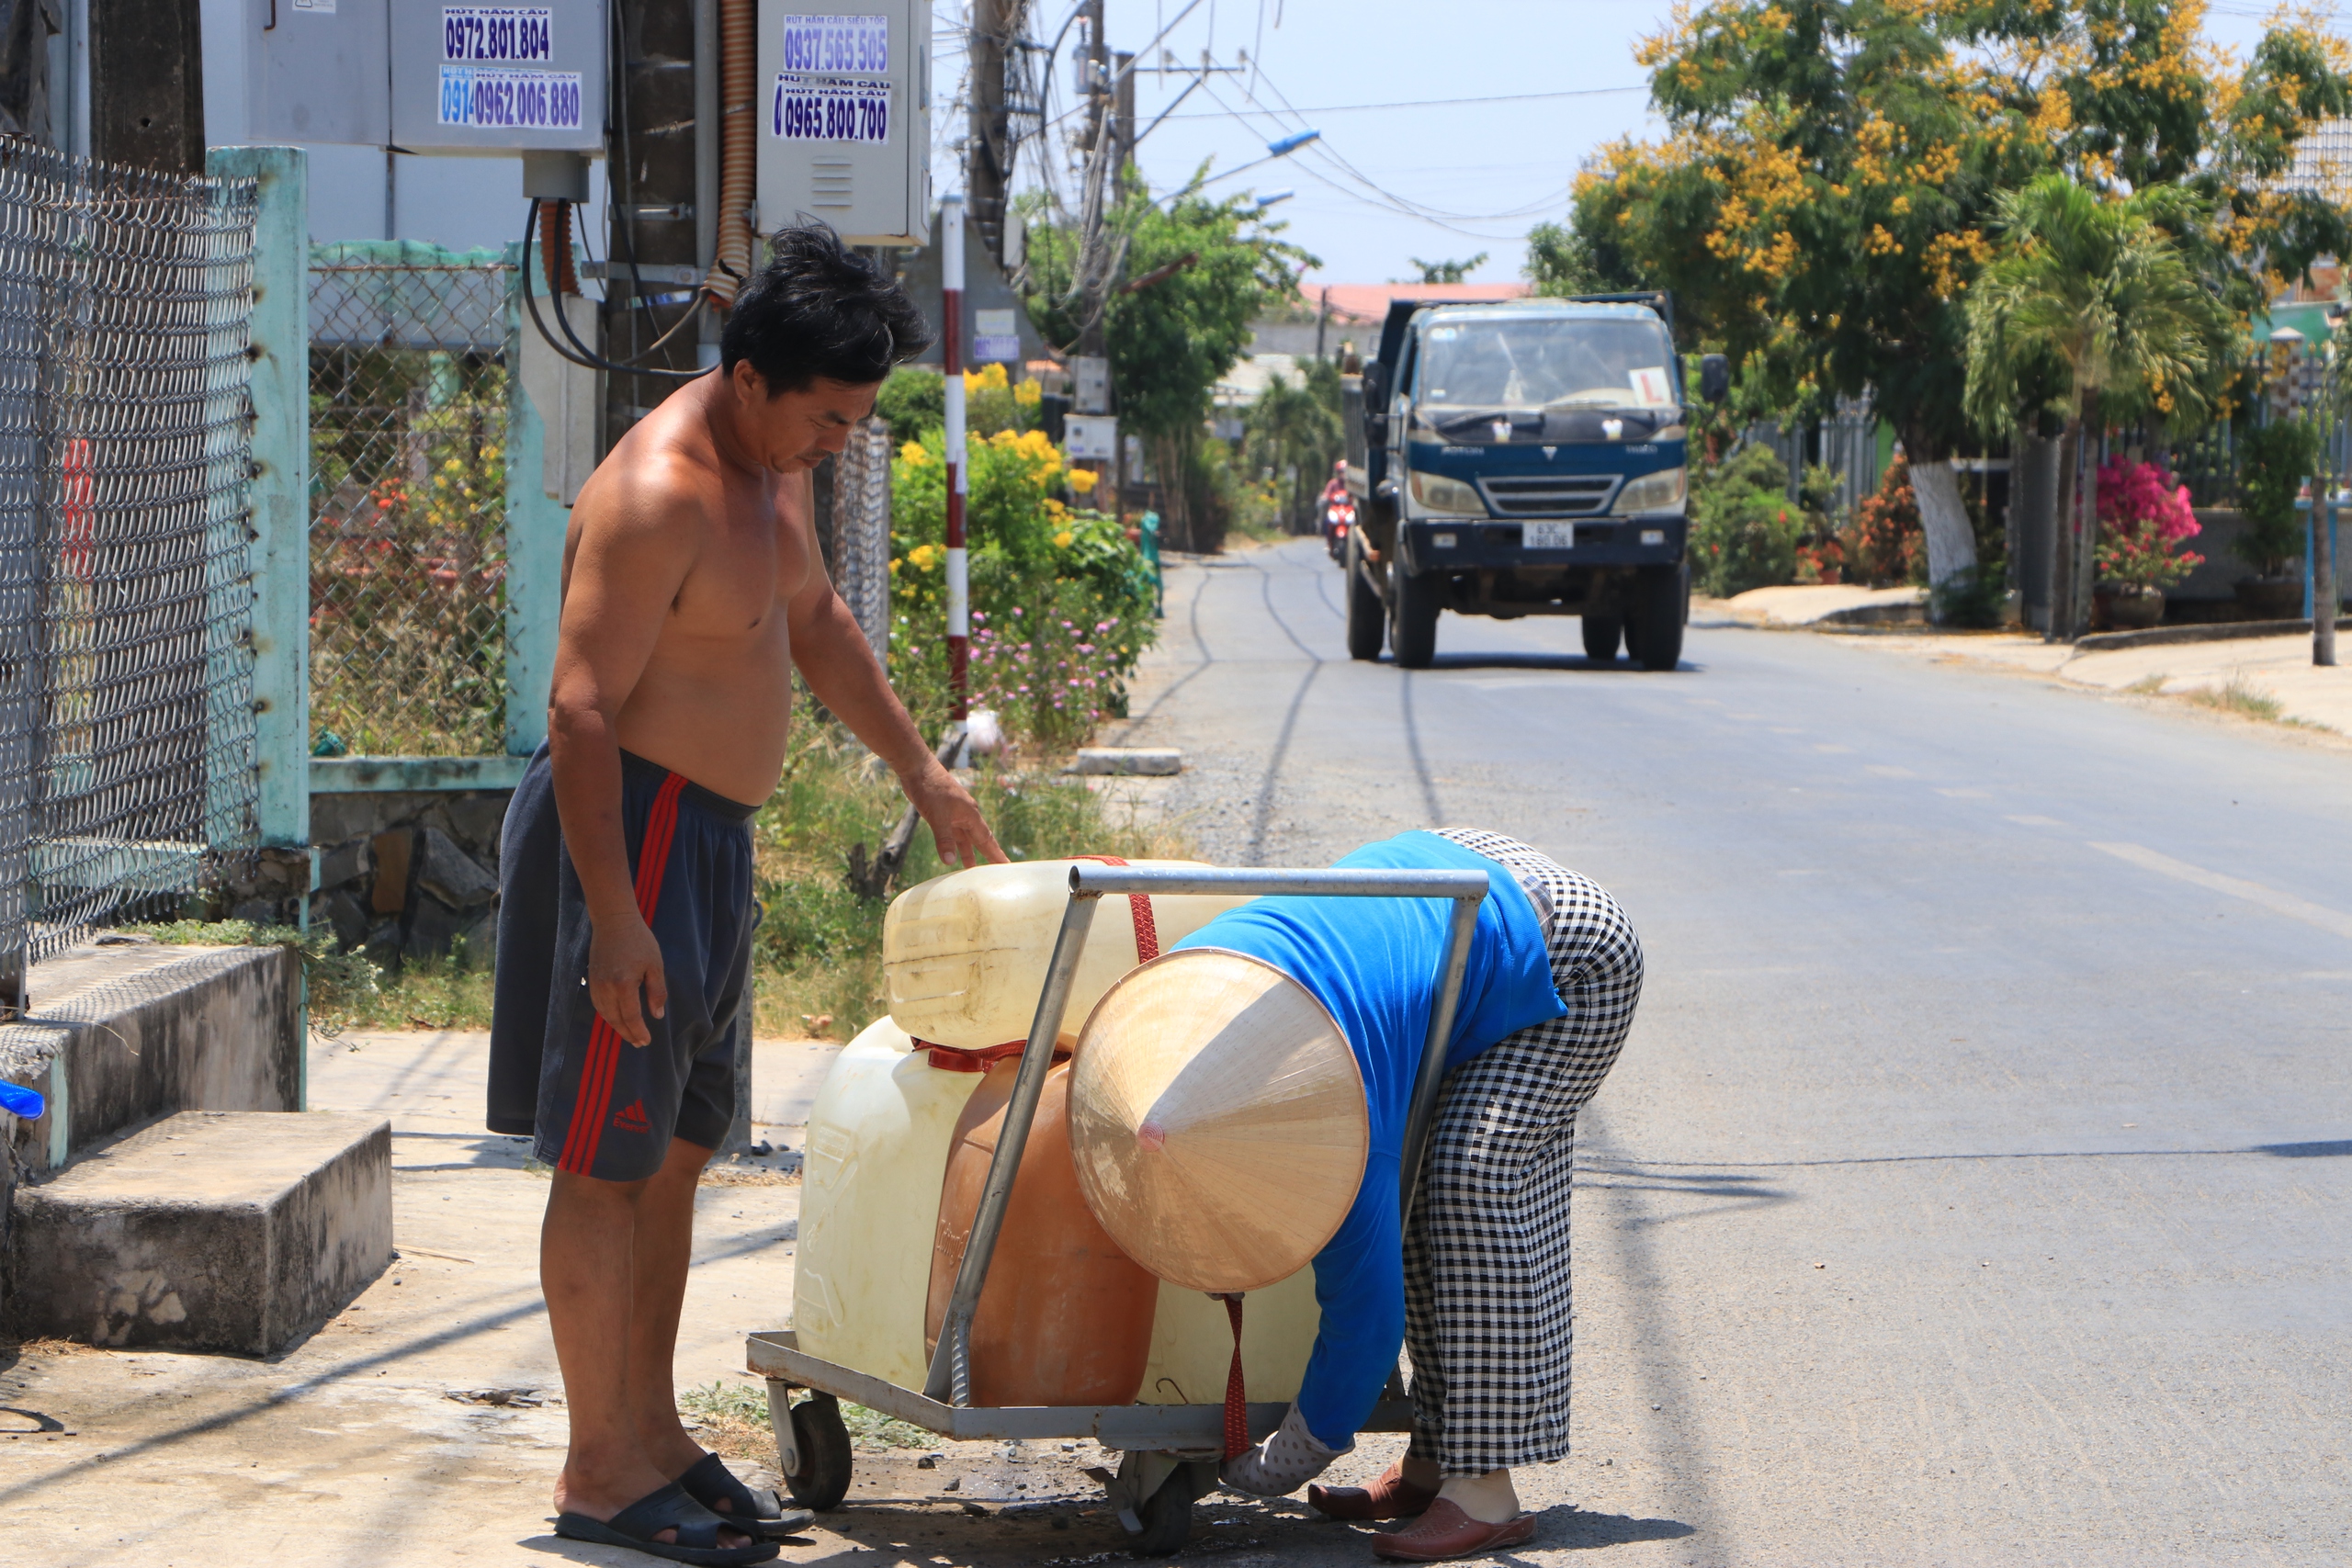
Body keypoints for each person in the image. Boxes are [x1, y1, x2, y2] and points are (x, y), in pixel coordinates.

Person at [487, 224, 1004, 1566]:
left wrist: (929, 777)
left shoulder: (778, 469)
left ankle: (648, 1431)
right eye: (826, 417)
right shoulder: (660, 485)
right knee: (608, 1157)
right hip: (632, 835)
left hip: (710, 840)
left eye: (855, 420)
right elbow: (583, 706)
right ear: (751, 375)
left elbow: (818, 619)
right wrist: (611, 912)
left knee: (675, 1147)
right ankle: (598, 1468)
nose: (837, 441)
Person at [1086, 829, 1643, 1562]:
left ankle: (1485, 1492)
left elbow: (1366, 1318)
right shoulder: (1194, 991)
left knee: (1462, 1189)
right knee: (1419, 1201)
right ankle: (1431, 1464)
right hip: (1456, 876)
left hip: (1568, 944)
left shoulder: (1332, 1116)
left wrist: (1294, 1453)